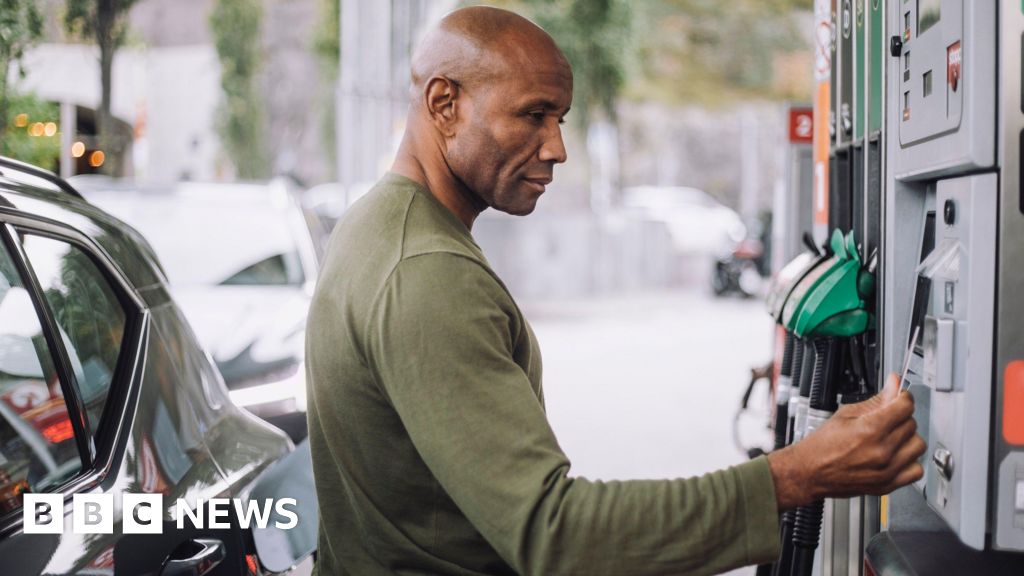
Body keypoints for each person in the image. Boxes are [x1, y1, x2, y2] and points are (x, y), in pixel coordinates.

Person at [305, 6, 925, 575]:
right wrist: (798, 474)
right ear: (445, 104)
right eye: (533, 115)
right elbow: (554, 534)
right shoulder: (426, 270)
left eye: (560, 119)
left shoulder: (375, 225)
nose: (557, 148)